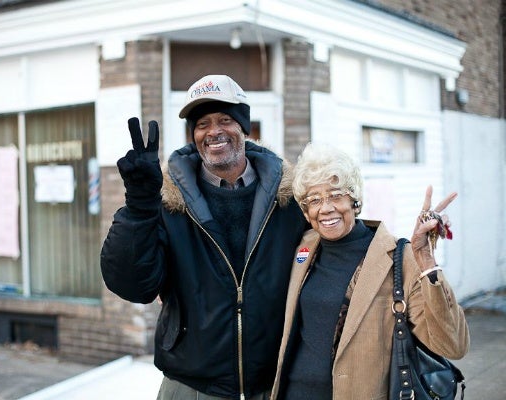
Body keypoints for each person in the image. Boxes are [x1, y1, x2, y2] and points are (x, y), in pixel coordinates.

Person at [100, 74, 308, 399]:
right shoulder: (169, 204)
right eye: (202, 124)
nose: (213, 131)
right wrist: (140, 205)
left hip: (273, 384)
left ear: (244, 128)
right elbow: (133, 286)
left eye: (226, 119)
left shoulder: (289, 199)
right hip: (192, 386)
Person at [270, 142, 470, 400]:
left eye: (336, 195)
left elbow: (452, 344)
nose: (326, 207)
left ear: (354, 200)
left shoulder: (398, 257)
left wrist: (426, 262)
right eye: (315, 199)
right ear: (306, 211)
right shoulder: (303, 248)